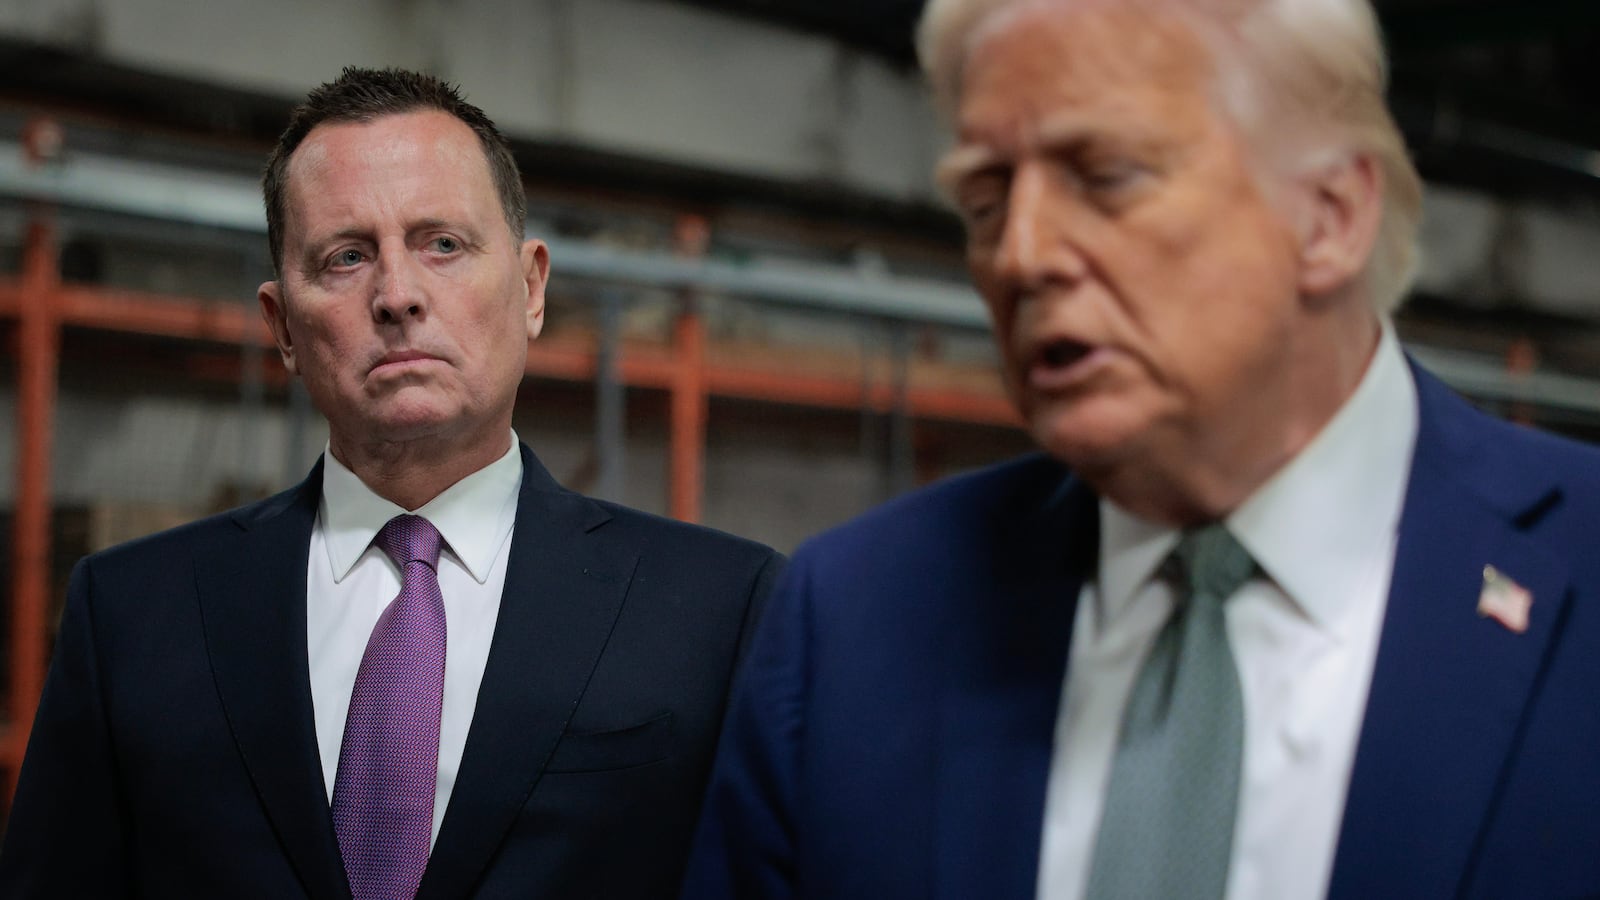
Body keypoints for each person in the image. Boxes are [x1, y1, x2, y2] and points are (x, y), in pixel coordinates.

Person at [682, 1, 1600, 899]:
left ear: (1329, 217)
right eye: (987, 199)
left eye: (1107, 174)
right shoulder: (853, 618)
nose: (1023, 255)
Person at [0, 67, 782, 899]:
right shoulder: (131, 615)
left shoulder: (720, 609)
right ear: (282, 327)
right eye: (345, 257)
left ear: (530, 287)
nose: (398, 295)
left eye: (442, 243)